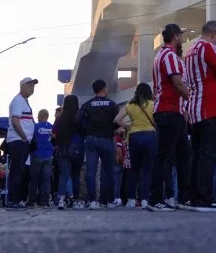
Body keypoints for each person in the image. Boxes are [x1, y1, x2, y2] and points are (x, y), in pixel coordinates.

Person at [182, 20, 216, 212]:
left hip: (195, 108)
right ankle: (205, 197)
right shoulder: (208, 48)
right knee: (209, 155)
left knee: (197, 155)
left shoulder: (190, 50)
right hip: (211, 108)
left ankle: (194, 196)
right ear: (214, 33)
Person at [149, 23, 190, 211]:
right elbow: (178, 83)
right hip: (170, 110)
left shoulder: (160, 56)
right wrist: (194, 98)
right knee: (164, 156)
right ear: (175, 36)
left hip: (170, 111)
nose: (182, 39)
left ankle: (183, 197)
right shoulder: (170, 56)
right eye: (181, 36)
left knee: (182, 154)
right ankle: (155, 199)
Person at [80, 78, 119, 208]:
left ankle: (92, 201)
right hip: (107, 140)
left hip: (91, 140)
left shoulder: (87, 104)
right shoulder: (112, 104)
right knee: (108, 172)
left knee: (91, 172)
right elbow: (116, 122)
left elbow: (77, 120)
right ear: (103, 89)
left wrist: (86, 130)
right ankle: (109, 200)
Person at [117, 83, 156, 210]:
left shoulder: (130, 105)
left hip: (134, 137)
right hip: (150, 136)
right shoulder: (153, 104)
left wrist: (128, 126)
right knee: (147, 170)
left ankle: (132, 200)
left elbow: (116, 119)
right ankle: (144, 200)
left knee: (134, 170)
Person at [5, 77, 37, 208]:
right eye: (29, 85)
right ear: (22, 86)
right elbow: (15, 121)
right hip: (18, 141)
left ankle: (15, 199)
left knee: (19, 171)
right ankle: (13, 200)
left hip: (21, 141)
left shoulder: (24, 101)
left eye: (33, 86)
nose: (32, 88)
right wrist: (24, 137)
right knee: (17, 171)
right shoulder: (18, 101)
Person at [53, 95, 81, 209]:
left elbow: (54, 135)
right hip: (77, 150)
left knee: (64, 175)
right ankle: (75, 201)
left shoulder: (60, 119)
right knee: (76, 176)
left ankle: (61, 200)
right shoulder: (79, 117)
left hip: (62, 149)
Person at [27, 109, 54, 207]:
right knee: (46, 180)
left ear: (39, 116)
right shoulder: (52, 127)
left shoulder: (35, 127)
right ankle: (44, 202)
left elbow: (30, 140)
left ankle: (31, 201)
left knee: (34, 179)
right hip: (49, 156)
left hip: (37, 155)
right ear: (47, 116)